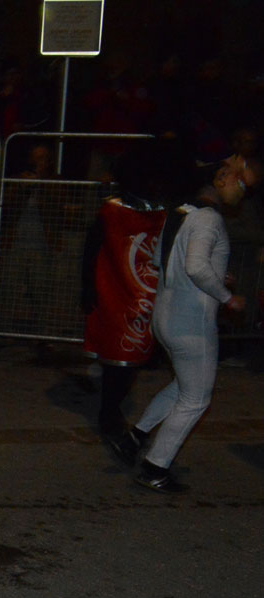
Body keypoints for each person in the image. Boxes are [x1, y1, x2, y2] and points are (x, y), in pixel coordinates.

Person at [128, 157, 250, 493]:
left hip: (164, 317)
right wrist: (227, 297)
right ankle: (155, 467)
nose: (242, 189)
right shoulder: (209, 218)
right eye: (238, 181)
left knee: (184, 386)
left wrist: (216, 273)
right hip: (191, 322)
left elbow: (160, 260)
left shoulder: (180, 212)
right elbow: (196, 268)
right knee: (196, 399)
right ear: (220, 178)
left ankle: (137, 434)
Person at [80, 145, 168, 462]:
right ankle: (109, 412)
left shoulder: (163, 210)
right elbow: (92, 249)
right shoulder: (112, 210)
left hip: (144, 293)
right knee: (118, 355)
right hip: (115, 291)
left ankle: (111, 408)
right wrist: (88, 287)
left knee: (131, 357)